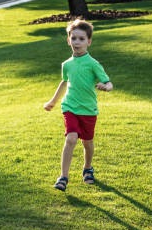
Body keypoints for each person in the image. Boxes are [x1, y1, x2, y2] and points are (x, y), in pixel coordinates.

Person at [43, 19, 113, 192]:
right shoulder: (66, 65)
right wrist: (53, 101)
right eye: (73, 38)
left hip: (88, 110)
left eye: (81, 39)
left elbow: (108, 82)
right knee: (71, 138)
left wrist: (107, 87)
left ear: (89, 42)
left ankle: (88, 168)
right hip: (70, 107)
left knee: (87, 143)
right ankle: (63, 177)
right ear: (68, 41)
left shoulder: (93, 64)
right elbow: (64, 83)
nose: (77, 42)